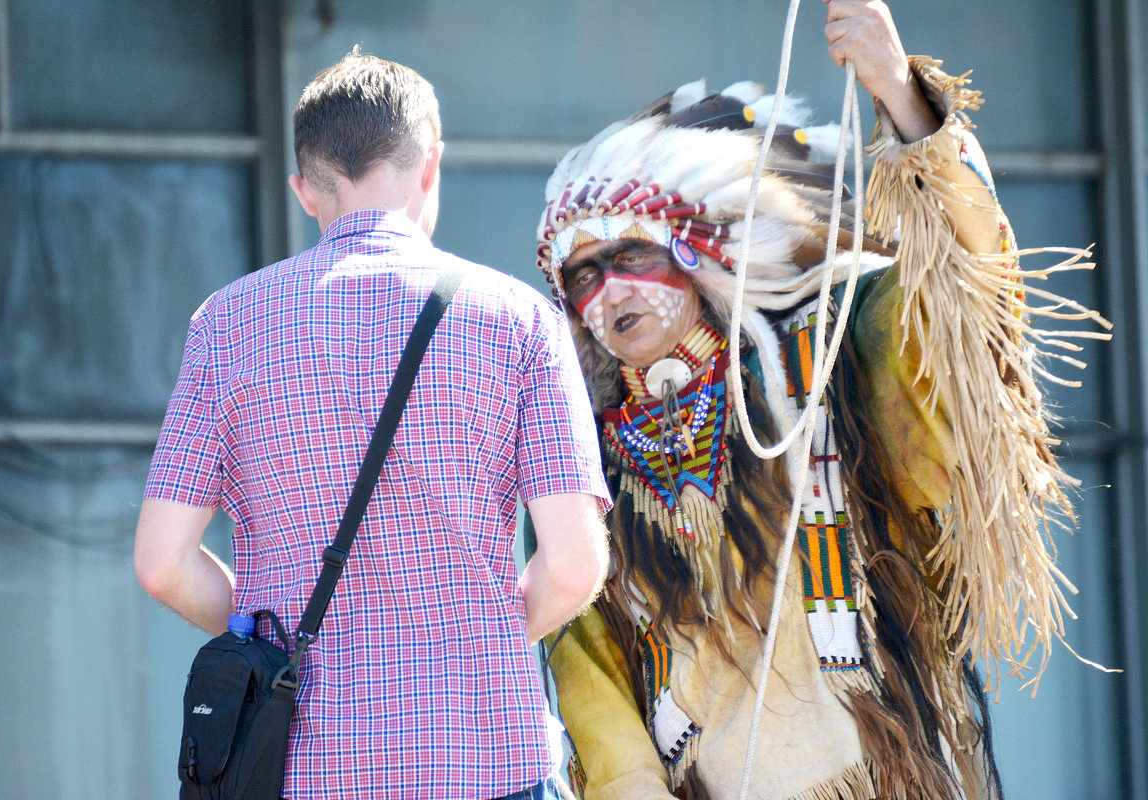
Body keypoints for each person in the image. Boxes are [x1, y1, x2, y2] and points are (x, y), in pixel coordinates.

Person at [535, 2, 1106, 799]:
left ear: (699, 251)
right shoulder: (584, 462)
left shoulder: (829, 363)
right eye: (581, 277)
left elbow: (961, 306)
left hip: (883, 770)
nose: (607, 292)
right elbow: (591, 687)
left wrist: (901, 97)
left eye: (629, 253)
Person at [134, 50, 611, 800]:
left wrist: (273, 633)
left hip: (305, 767)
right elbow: (576, 566)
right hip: (488, 761)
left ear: (304, 189)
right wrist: (482, 642)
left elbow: (162, 563)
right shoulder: (520, 321)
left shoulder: (227, 326)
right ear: (431, 165)